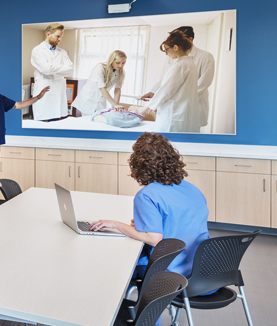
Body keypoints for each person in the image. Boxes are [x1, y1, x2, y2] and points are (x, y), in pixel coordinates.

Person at [89, 133, 209, 279]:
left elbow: (154, 239)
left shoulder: (146, 196)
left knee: (118, 267)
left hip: (169, 272)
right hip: (202, 271)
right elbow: (184, 224)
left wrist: (116, 224)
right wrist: (147, 226)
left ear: (139, 164)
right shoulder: (192, 189)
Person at [139, 31, 201, 133]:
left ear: (176, 47)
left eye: (167, 50)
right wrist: (156, 101)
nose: (166, 54)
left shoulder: (180, 65)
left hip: (174, 115)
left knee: (167, 144)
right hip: (181, 112)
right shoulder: (189, 63)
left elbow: (166, 90)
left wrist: (146, 108)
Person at [29, 22, 74, 121]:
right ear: (48, 34)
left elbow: (70, 69)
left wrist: (52, 68)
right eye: (57, 36)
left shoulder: (62, 52)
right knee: (42, 125)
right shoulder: (37, 51)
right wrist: (61, 68)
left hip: (59, 93)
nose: (60, 39)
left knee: (57, 123)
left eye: (61, 36)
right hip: (45, 93)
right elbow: (46, 69)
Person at [173, 26, 215, 128]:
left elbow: (204, 82)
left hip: (195, 104)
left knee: (191, 133)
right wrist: (153, 92)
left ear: (190, 39)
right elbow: (163, 78)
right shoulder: (172, 55)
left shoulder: (205, 56)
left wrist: (181, 98)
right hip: (175, 104)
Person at [71, 50, 126, 116]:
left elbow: (117, 89)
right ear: (112, 60)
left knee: (99, 122)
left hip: (101, 101)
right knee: (88, 123)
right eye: (118, 62)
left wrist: (116, 106)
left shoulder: (121, 72)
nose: (120, 65)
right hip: (89, 99)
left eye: (123, 63)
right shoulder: (100, 68)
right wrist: (114, 104)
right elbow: (102, 88)